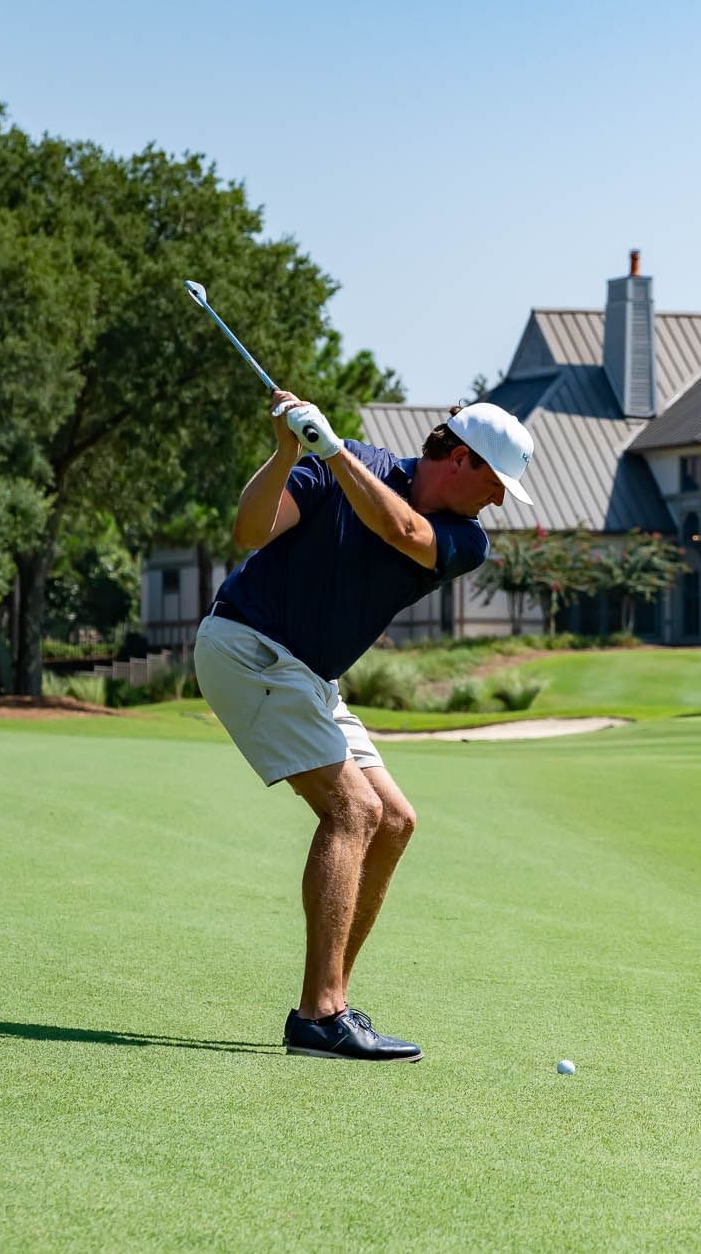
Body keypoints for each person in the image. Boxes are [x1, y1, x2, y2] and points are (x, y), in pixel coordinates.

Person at [194, 392, 535, 1062]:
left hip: (309, 675)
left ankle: (331, 1000)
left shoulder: (466, 538)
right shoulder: (334, 465)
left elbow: (403, 531)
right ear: (461, 459)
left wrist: (333, 451)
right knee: (353, 808)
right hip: (247, 646)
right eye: (497, 484)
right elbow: (249, 529)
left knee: (396, 819)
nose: (498, 501)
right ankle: (321, 1014)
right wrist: (289, 449)